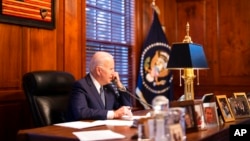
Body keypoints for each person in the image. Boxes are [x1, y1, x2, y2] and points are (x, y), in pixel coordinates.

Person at [67, 51, 133, 121]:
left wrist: (119, 86)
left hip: (105, 129)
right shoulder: (81, 86)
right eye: (111, 69)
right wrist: (114, 114)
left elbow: (125, 107)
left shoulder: (108, 87)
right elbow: (81, 112)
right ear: (99, 71)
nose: (114, 73)